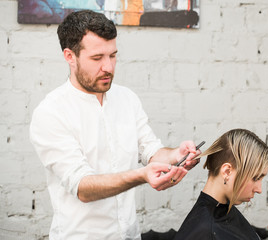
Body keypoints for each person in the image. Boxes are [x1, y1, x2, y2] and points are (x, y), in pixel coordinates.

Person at [29, 10, 200, 240]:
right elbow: (83, 187)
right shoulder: (50, 113)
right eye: (97, 58)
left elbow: (150, 151)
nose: (108, 67)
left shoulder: (127, 99)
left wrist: (174, 155)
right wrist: (142, 175)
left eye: (113, 56)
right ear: (70, 56)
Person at [174, 129, 268, 240]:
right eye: (255, 178)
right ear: (227, 172)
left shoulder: (222, 211)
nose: (259, 189)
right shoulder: (206, 232)